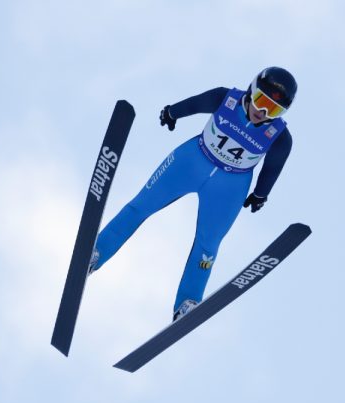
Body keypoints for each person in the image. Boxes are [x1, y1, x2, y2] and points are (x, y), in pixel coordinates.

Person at [89, 66, 297, 321]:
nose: (262, 112)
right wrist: (172, 112)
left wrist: (261, 194)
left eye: (273, 110)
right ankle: (96, 252)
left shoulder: (279, 137)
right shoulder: (226, 98)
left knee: (208, 245)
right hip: (191, 162)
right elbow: (197, 103)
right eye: (261, 101)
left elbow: (273, 167)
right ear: (252, 90)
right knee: (141, 205)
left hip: (229, 187)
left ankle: (187, 302)